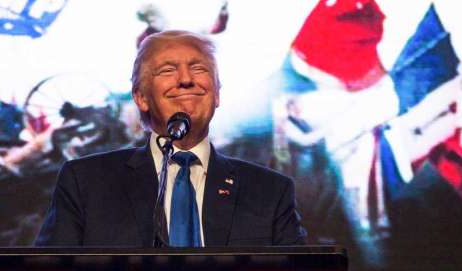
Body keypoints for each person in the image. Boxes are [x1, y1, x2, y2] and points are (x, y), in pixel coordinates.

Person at [35, 30, 306, 247]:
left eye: (198, 68)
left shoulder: (269, 191)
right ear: (141, 97)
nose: (186, 79)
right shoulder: (86, 182)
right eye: (167, 70)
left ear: (217, 94)